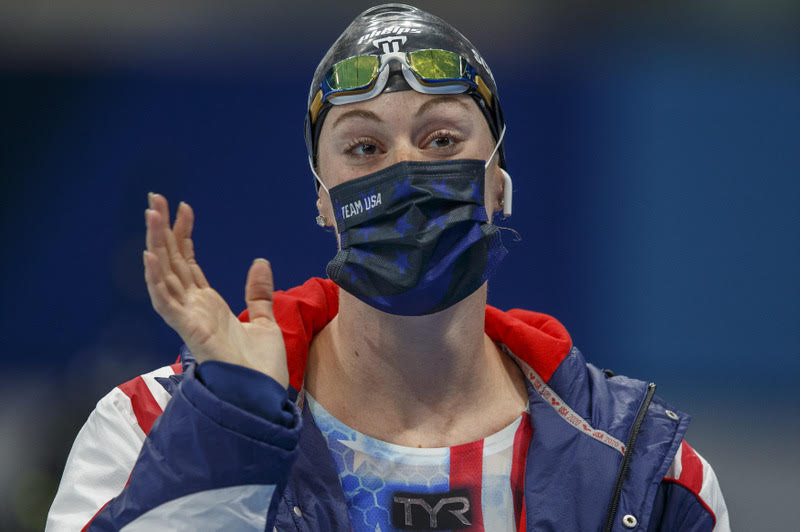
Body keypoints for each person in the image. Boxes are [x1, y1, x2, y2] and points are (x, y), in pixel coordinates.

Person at [47, 4, 730, 531]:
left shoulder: (645, 473)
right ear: (322, 199)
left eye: (441, 138)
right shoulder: (146, 428)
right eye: (366, 147)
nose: (405, 169)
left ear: (498, 182)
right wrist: (228, 428)